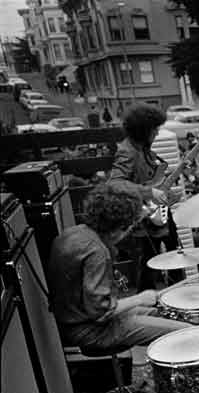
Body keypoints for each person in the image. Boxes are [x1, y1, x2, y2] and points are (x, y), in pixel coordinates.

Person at [47, 184, 190, 355]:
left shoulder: (72, 233)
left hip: (73, 319)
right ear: (119, 228)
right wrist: (140, 298)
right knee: (187, 331)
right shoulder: (97, 252)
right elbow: (102, 312)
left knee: (163, 314)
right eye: (128, 228)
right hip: (90, 330)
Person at [108, 103, 178, 290]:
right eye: (154, 130)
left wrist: (166, 193)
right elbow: (115, 183)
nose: (156, 134)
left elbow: (152, 182)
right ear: (142, 130)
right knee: (147, 269)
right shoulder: (127, 151)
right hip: (142, 220)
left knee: (177, 258)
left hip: (159, 215)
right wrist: (149, 193)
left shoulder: (145, 150)